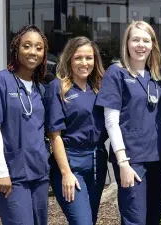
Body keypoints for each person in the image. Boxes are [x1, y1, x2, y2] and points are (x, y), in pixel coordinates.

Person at [0, 25, 50, 225]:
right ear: (16, 49)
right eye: (27, 46)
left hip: (39, 173)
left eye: (38, 47)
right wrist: (1, 172)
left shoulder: (40, 90)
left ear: (44, 54)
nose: (32, 52)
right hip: (11, 175)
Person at [96, 21, 161, 225]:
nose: (140, 45)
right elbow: (111, 121)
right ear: (127, 43)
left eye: (146, 40)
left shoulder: (157, 77)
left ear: (153, 44)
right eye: (135, 39)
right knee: (134, 219)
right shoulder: (116, 73)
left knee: (153, 217)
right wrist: (122, 162)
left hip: (157, 159)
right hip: (131, 159)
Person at [43, 36, 107, 225]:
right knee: (82, 222)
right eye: (78, 57)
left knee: (90, 220)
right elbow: (54, 135)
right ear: (69, 59)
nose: (84, 63)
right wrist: (66, 173)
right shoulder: (58, 87)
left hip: (97, 161)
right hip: (71, 162)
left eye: (89, 58)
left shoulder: (99, 88)